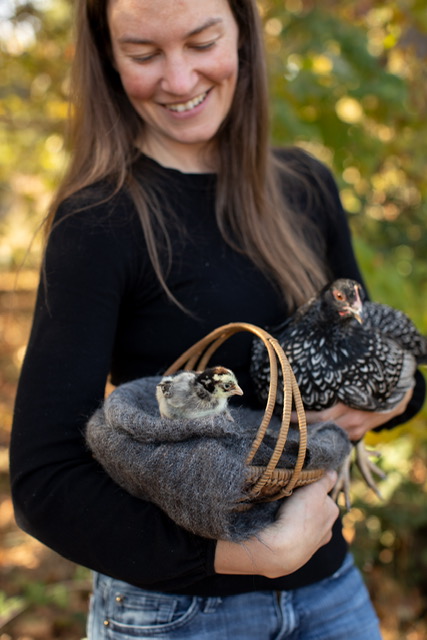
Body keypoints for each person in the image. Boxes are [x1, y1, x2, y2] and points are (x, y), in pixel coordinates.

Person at [10, 0, 425, 638]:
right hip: (175, 610)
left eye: (202, 41)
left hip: (329, 586)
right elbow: (47, 481)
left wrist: (385, 401)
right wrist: (251, 554)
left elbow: (393, 368)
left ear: (243, 37)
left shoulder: (305, 187)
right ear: (108, 58)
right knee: (151, 407)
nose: (178, 81)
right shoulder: (99, 223)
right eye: (144, 54)